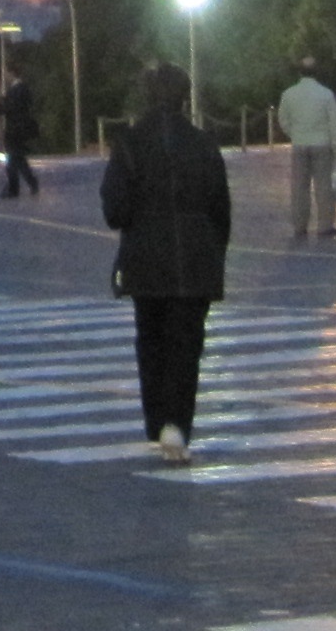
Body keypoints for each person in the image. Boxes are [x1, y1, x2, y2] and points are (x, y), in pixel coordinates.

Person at [103, 61, 232, 465]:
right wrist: (213, 251)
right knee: (186, 343)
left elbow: (115, 210)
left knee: (151, 341)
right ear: (184, 97)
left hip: (145, 256)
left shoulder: (129, 143)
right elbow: (220, 208)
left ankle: (157, 422)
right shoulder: (203, 143)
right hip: (195, 256)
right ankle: (178, 424)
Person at [276, 61, 336, 239]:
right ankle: (325, 226)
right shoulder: (326, 94)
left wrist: (294, 133)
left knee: (299, 187)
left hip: (299, 144)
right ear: (317, 73)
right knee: (323, 187)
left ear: (299, 72)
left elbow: (283, 119)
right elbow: (334, 124)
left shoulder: (289, 94)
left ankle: (300, 225)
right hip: (322, 144)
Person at [0, 76, 43, 199]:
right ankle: (28, 183)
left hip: (14, 128)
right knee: (18, 157)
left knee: (13, 157)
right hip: (23, 128)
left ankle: (14, 187)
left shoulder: (15, 91)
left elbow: (11, 108)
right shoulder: (25, 89)